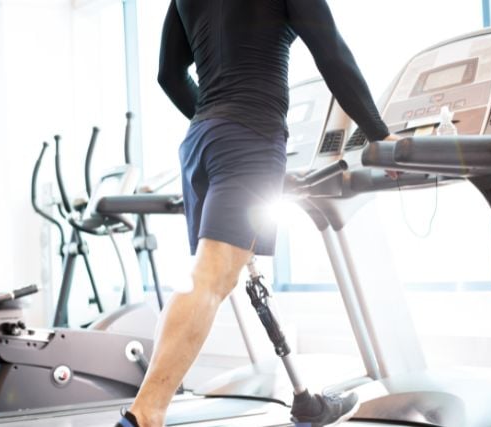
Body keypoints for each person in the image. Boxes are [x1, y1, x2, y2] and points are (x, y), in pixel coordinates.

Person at [116, 1, 397, 426]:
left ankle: (306, 402)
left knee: (212, 275)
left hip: (201, 139)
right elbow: (332, 55)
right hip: (250, 132)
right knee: (210, 278)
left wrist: (217, 118)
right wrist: (381, 135)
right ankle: (144, 414)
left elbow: (168, 76)